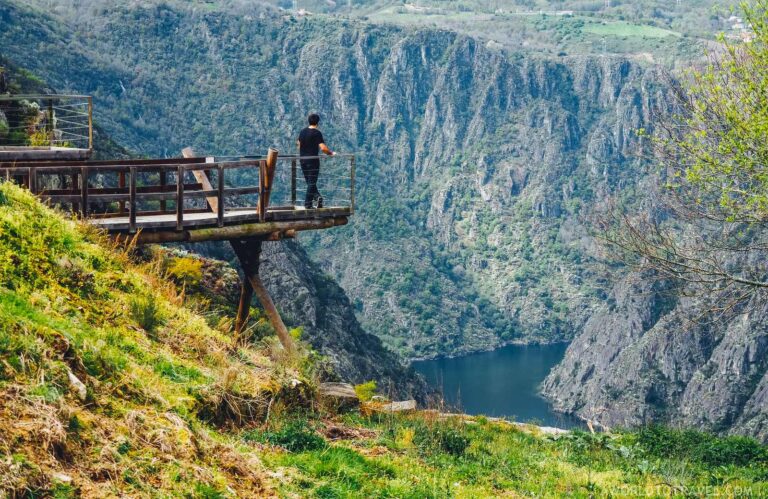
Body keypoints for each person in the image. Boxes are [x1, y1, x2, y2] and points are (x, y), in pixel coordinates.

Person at [297, 113, 335, 209]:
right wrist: (331, 153)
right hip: (313, 161)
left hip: (303, 160)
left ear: (308, 121)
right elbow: (323, 148)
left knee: (309, 181)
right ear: (317, 122)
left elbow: (299, 145)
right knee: (312, 182)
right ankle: (308, 204)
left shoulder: (302, 132)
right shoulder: (317, 133)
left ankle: (318, 197)